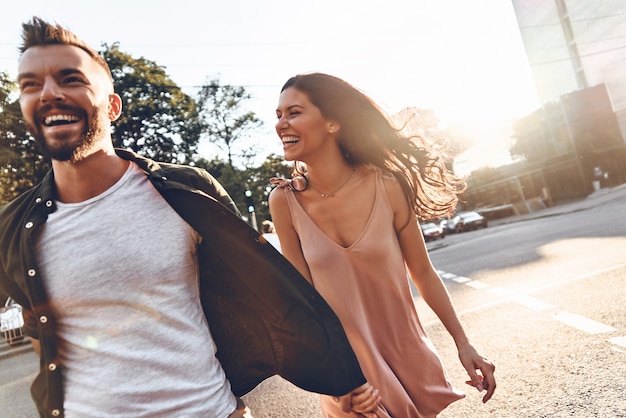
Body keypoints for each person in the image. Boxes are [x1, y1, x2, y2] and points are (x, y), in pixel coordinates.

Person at [0, 18, 374, 418]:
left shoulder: (188, 191)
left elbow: (267, 295)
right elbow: (40, 333)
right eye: (30, 85)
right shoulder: (12, 229)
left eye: (70, 79)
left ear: (112, 105)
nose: (49, 93)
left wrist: (341, 379)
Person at [269, 72, 497, 417]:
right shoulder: (284, 201)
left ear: (332, 123)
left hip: (408, 360)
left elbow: (422, 270)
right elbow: (304, 304)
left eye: (294, 112)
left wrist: (463, 344)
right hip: (352, 382)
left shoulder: (387, 184)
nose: (281, 124)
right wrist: (338, 381)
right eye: (278, 115)